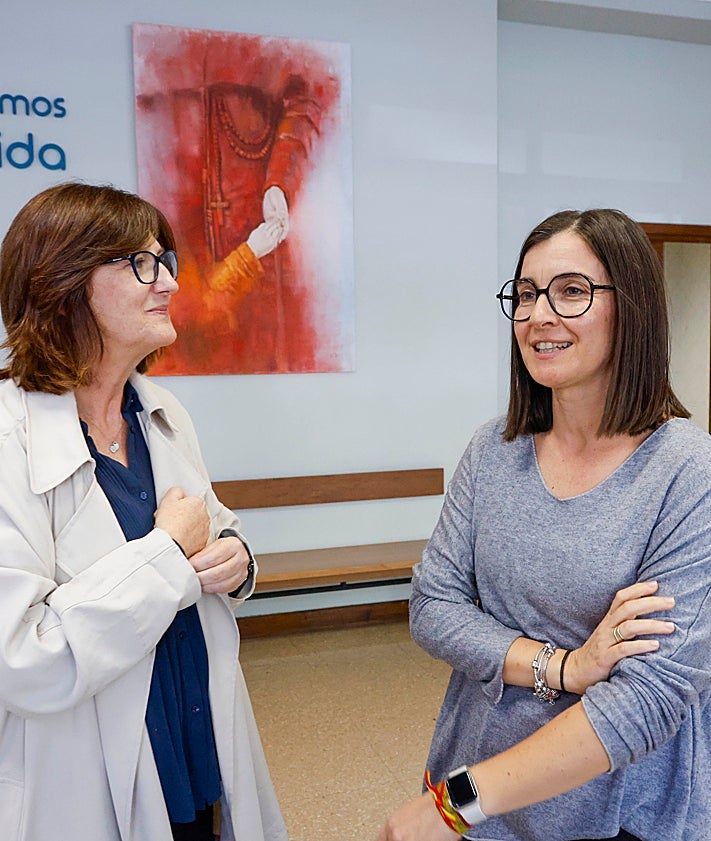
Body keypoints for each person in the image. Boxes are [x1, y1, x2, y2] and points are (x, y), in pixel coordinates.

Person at [378, 209, 711, 841]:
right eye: (526, 294)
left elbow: (645, 699)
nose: (538, 315)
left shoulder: (689, 474)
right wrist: (565, 667)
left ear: (632, 307)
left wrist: (453, 805)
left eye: (571, 291)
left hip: (613, 814)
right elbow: (433, 606)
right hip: (479, 794)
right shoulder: (493, 451)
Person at [0, 182, 288, 841]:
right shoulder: (8, 437)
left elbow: (209, 524)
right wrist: (166, 553)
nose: (164, 282)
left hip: (196, 745)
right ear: (63, 281)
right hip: (82, 781)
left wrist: (236, 557)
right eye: (139, 263)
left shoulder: (161, 412)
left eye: (165, 261)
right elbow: (24, 655)